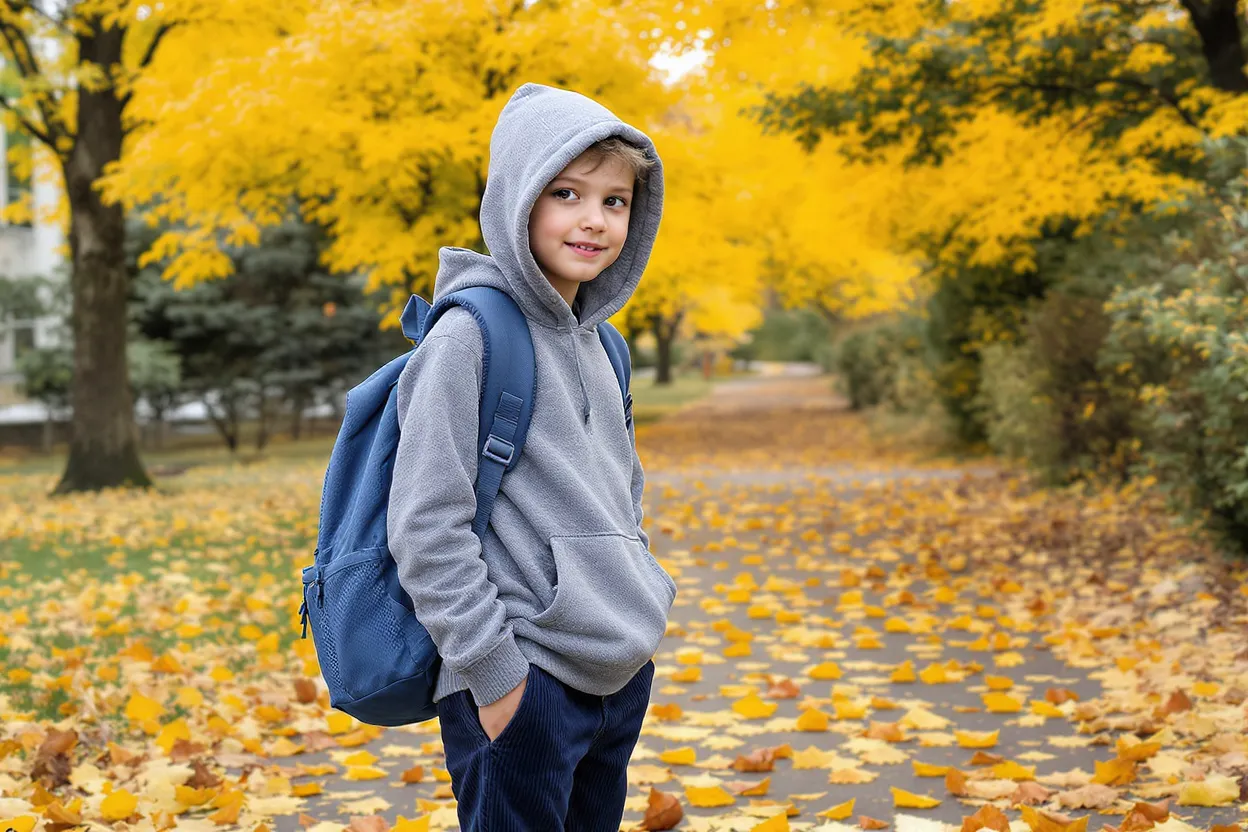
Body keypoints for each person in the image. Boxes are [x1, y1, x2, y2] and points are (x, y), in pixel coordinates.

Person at [386, 82, 678, 831]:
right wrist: (496, 677)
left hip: (615, 668)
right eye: (567, 193)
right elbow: (426, 526)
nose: (594, 219)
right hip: (524, 675)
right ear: (518, 199)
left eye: (615, 202)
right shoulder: (469, 338)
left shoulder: (603, 344)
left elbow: (622, 494)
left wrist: (641, 596)